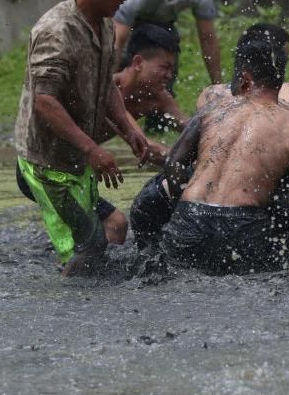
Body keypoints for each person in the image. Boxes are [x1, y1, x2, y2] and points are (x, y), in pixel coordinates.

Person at [14, 0, 148, 276]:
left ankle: (92, 292)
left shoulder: (104, 26)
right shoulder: (55, 32)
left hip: (74, 161)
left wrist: (128, 129)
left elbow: (106, 88)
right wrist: (91, 148)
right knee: (91, 245)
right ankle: (66, 308)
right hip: (46, 165)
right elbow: (46, 103)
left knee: (112, 228)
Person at [151, 29, 289, 275]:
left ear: (245, 78)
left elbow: (174, 163)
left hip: (191, 215)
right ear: (280, 78)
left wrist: (181, 205)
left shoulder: (214, 110)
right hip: (243, 224)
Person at [128, 24, 289, 251]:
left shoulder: (212, 97)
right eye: (282, 58)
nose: (281, 68)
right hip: (218, 216)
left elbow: (178, 154)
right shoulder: (284, 111)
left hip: (168, 201)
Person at [16, 23, 181, 246]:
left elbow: (190, 127)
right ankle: (88, 276)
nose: (169, 76)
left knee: (94, 237)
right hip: (42, 168)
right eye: (164, 67)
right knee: (114, 224)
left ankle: (88, 272)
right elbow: (145, 147)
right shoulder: (110, 91)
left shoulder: (160, 98)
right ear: (138, 63)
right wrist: (189, 164)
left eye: (172, 69)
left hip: (72, 171)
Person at [114, 0, 221, 129]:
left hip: (163, 26)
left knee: (165, 69)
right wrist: (107, 78)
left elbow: (208, 38)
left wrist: (217, 85)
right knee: (124, 68)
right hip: (129, 25)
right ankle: (116, 109)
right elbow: (118, 37)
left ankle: (158, 120)